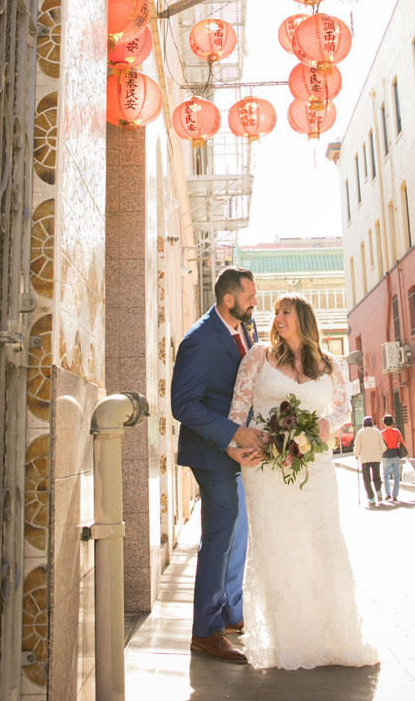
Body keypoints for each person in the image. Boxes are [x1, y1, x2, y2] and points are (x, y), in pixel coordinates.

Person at [228, 292, 379, 670]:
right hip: (265, 465)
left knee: (320, 540)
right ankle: (288, 642)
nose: (277, 318)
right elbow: (238, 408)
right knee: (277, 545)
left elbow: (344, 407)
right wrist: (237, 446)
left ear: (303, 319)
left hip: (315, 467)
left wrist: (326, 424)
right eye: (276, 312)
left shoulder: (331, 364)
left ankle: (332, 637)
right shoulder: (258, 356)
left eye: (285, 312)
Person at [171, 267, 265, 664]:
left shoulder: (249, 328)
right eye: (249, 296)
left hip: (238, 449)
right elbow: (183, 406)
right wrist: (231, 436)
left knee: (235, 533)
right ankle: (205, 632)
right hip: (210, 454)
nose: (254, 302)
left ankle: (226, 615)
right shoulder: (198, 341)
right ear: (229, 299)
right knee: (220, 533)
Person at [353, 416, 386, 508]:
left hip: (365, 459)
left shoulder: (360, 433)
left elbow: (357, 446)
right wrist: (381, 451)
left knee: (367, 479)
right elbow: (383, 447)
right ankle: (378, 491)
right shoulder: (377, 432)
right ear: (371, 423)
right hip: (376, 458)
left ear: (363, 424)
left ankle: (371, 498)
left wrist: (356, 454)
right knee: (377, 477)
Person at [381, 414, 408, 502]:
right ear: (393, 423)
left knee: (386, 476)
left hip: (386, 455)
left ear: (384, 423)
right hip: (396, 455)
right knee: (396, 477)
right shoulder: (396, 431)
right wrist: (407, 453)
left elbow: (380, 446)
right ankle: (395, 495)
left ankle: (388, 494)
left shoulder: (382, 433)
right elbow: (403, 443)